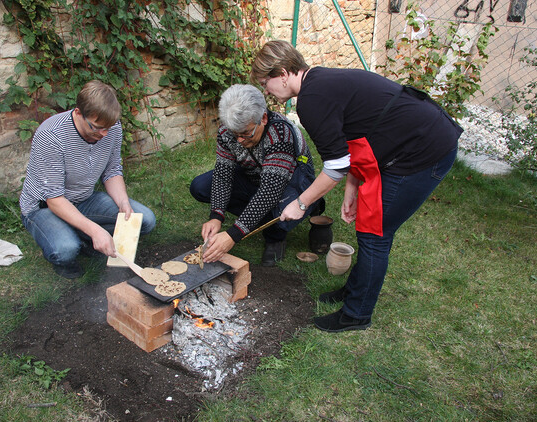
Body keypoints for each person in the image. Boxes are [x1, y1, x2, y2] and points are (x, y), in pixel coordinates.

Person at [251, 40, 461, 332]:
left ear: (284, 73)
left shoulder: (311, 100)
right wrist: (353, 188)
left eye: (266, 82)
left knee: (376, 234)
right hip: (409, 142)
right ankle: (354, 291)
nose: (266, 90)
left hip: (424, 150)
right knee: (368, 224)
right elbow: (354, 137)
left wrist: (300, 204)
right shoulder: (319, 81)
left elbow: (334, 166)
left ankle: (357, 314)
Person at [19, 80, 156, 279]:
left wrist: (123, 202)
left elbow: (112, 170)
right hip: (44, 207)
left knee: (145, 219)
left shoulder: (111, 126)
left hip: (84, 199)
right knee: (66, 249)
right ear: (77, 113)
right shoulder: (51, 135)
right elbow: (54, 199)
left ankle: (81, 234)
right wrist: (94, 230)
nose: (105, 134)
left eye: (108, 128)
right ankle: (71, 245)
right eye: (98, 127)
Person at [190, 84, 324, 266]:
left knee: (276, 207)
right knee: (201, 187)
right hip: (253, 174)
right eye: (235, 134)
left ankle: (277, 234)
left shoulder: (280, 133)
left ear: (263, 118)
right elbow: (223, 174)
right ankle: (258, 213)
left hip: (290, 180)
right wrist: (216, 215)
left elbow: (270, 190)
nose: (239, 140)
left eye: (245, 133)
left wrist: (234, 234)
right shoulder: (228, 130)